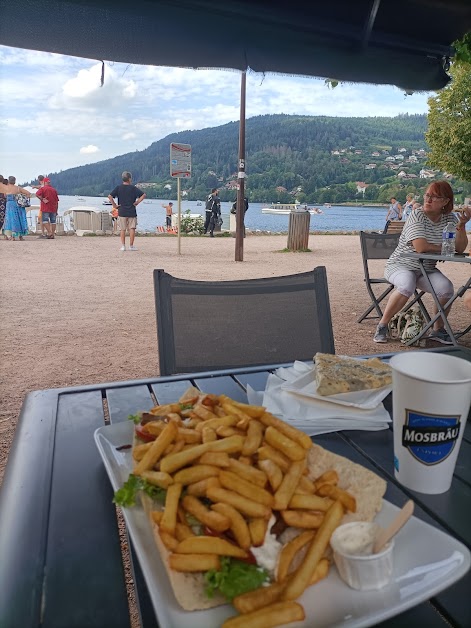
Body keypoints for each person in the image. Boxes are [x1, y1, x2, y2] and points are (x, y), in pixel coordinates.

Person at [374, 181, 469, 345]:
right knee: (406, 284)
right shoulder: (417, 215)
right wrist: (444, 249)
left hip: (426, 269)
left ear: (445, 201)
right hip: (400, 265)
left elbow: (459, 248)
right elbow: (421, 247)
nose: (429, 199)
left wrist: (461, 225)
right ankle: (383, 325)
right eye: (427, 195)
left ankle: (438, 329)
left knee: (446, 289)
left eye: (434, 196)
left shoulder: (449, 218)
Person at [108, 171, 146, 251]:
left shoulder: (118, 188)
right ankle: (131, 246)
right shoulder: (133, 188)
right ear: (129, 179)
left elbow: (110, 196)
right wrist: (137, 202)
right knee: (132, 228)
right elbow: (143, 195)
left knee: (123, 229)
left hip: (122, 211)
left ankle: (123, 246)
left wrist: (114, 205)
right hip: (132, 210)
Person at [0, 176, 31, 240]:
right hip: (17, 204)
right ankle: (20, 236)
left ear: (8, 181)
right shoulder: (18, 188)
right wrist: (23, 198)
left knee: (10, 219)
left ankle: (12, 236)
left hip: (9, 205)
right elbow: (28, 193)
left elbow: (5, 196)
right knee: (19, 219)